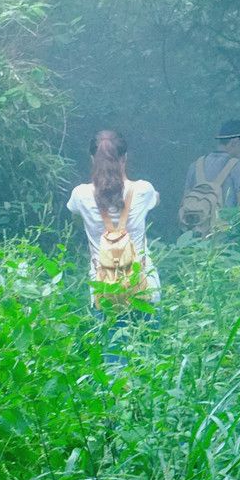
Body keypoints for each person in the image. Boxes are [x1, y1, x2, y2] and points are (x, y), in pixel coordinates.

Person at [66, 129, 159, 370]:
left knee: (114, 359)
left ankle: (118, 406)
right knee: (147, 360)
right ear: (125, 157)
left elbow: (76, 217)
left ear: (91, 159)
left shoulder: (80, 195)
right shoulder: (144, 190)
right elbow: (155, 199)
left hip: (104, 290)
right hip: (144, 286)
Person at [179, 119, 240, 235]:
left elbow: (183, 203)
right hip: (222, 235)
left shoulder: (195, 165)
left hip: (193, 235)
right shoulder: (237, 166)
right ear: (235, 142)